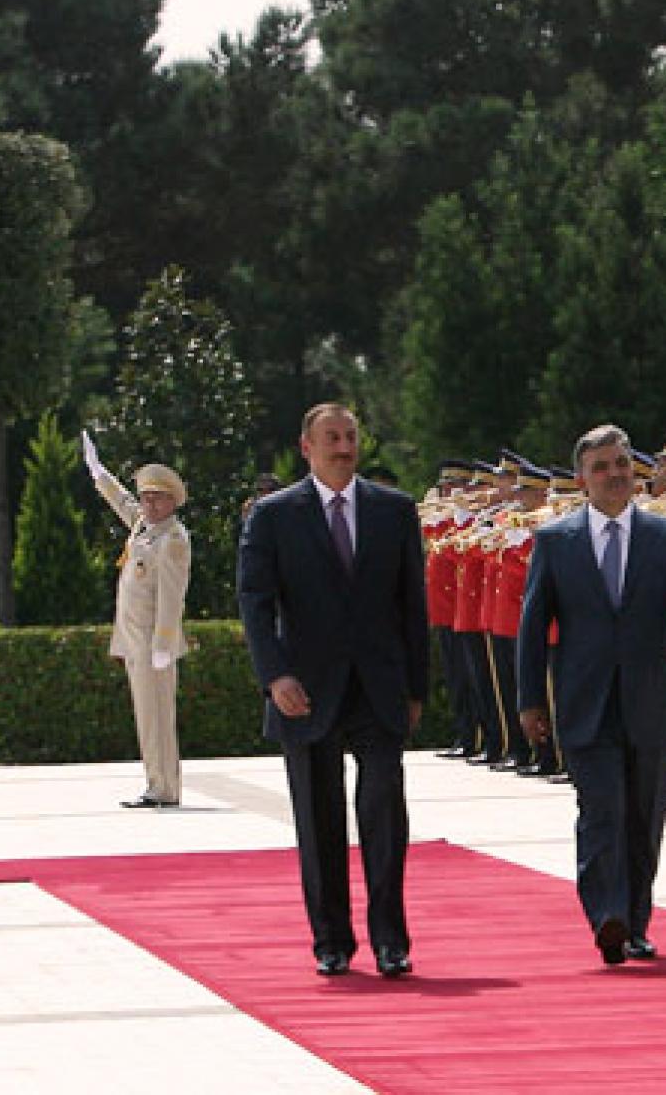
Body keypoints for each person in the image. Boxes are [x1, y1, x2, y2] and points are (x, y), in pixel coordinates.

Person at [238, 402, 429, 979]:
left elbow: (412, 607)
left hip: (378, 687)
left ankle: (391, 940)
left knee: (382, 812)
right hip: (306, 690)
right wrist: (275, 677)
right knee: (319, 820)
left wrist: (416, 687)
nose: (344, 447)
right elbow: (255, 602)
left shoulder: (394, 511)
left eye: (350, 437)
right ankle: (331, 941)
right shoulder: (273, 516)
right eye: (332, 439)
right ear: (307, 448)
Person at [516, 424, 666, 965]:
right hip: (586, 702)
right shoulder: (556, 541)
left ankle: (637, 921)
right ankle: (608, 914)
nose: (614, 475)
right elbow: (534, 626)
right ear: (583, 479)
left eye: (622, 464)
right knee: (600, 811)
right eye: (601, 467)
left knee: (643, 818)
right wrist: (530, 700)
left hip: (651, 698)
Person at [82, 433, 191, 810]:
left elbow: (171, 596)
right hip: (133, 638)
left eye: (155, 497)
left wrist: (163, 643)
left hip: (152, 643)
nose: (146, 503)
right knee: (146, 715)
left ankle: (164, 788)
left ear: (171, 502)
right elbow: (122, 503)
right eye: (145, 496)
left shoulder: (172, 539)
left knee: (157, 716)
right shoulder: (144, 527)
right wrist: (100, 474)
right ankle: (156, 782)